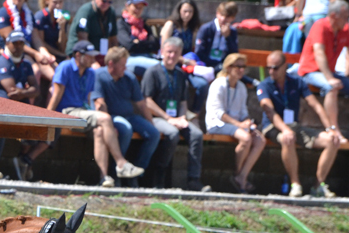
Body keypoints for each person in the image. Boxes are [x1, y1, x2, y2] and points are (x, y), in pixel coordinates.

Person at [47, 40, 145, 187]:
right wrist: (46, 117)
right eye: (89, 55)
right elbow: (56, 94)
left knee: (100, 131)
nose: (93, 59)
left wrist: (95, 110)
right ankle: (121, 163)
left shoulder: (90, 73)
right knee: (105, 119)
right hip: (66, 113)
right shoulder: (65, 67)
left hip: (82, 113)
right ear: (78, 55)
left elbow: (87, 100)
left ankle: (104, 178)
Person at [258, 50, 340, 198]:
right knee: (287, 138)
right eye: (268, 67)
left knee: (332, 141)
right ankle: (295, 184)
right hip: (273, 126)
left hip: (293, 125)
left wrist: (331, 129)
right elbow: (270, 113)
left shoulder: (297, 82)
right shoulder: (264, 85)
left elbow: (315, 105)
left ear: (285, 66)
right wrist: (285, 130)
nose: (271, 71)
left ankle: (319, 185)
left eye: (275, 68)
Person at [141, 37, 206, 190]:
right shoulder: (153, 72)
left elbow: (183, 102)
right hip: (156, 118)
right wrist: (169, 118)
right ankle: (159, 178)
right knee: (172, 134)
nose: (171, 56)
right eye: (169, 52)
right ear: (162, 52)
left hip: (176, 118)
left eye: (175, 53)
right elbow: (147, 101)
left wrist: (182, 118)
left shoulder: (180, 74)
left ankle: (193, 180)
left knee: (196, 134)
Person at [91, 46, 160, 184]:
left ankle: (135, 173)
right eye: (122, 65)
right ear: (111, 64)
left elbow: (141, 104)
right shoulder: (99, 76)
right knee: (126, 129)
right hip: (112, 117)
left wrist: (150, 122)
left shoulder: (129, 77)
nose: (125, 68)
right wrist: (107, 125)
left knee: (154, 134)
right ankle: (116, 171)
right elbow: (99, 103)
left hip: (130, 116)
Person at [205, 53, 265, 193]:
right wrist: (239, 125)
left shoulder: (242, 87)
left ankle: (241, 176)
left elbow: (243, 112)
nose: (241, 70)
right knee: (245, 138)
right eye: (237, 66)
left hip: (235, 126)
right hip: (217, 124)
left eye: (243, 67)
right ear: (228, 67)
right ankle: (239, 177)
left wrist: (248, 123)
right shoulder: (218, 84)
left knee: (259, 139)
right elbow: (218, 113)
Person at [0, 30, 42, 180]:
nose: (19, 46)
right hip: (1, 109)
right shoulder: (1, 62)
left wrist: (23, 92)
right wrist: (27, 91)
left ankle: (25, 161)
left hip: (21, 109)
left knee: (47, 128)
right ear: (7, 43)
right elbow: (12, 92)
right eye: (15, 43)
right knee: (1, 130)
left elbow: (36, 90)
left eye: (21, 43)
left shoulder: (26, 64)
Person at [298, 1, 349, 144]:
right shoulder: (320, 25)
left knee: (337, 83)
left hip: (330, 72)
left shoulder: (345, 29)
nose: (347, 20)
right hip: (310, 71)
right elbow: (319, 53)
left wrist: (347, 70)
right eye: (345, 17)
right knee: (332, 86)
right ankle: (334, 129)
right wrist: (330, 78)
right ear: (334, 16)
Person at [159, 0, 207, 112]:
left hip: (187, 65)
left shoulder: (192, 28)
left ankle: (195, 114)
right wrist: (183, 60)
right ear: (179, 11)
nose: (187, 14)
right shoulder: (171, 24)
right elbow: (163, 49)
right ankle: (180, 113)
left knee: (203, 85)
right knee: (182, 83)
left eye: (190, 12)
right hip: (172, 62)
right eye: (185, 11)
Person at [0, 0, 56, 89]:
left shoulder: (28, 14)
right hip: (14, 52)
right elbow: (14, 43)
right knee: (35, 71)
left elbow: (36, 39)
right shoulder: (3, 12)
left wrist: (46, 54)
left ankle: (51, 103)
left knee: (55, 74)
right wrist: (35, 54)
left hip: (29, 51)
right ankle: (27, 102)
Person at [117, 0, 159, 78]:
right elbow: (129, 45)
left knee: (171, 65)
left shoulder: (142, 24)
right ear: (127, 6)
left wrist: (138, 42)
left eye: (140, 8)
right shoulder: (121, 23)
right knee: (158, 67)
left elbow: (155, 44)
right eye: (136, 7)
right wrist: (146, 43)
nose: (138, 10)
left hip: (147, 56)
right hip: (129, 58)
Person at [195, 1, 238, 71]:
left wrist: (228, 37)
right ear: (217, 13)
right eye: (221, 15)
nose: (223, 19)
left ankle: (254, 82)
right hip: (205, 66)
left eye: (227, 17)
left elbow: (234, 53)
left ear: (233, 18)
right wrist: (213, 65)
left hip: (223, 67)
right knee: (202, 82)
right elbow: (199, 52)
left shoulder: (232, 31)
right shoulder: (206, 28)